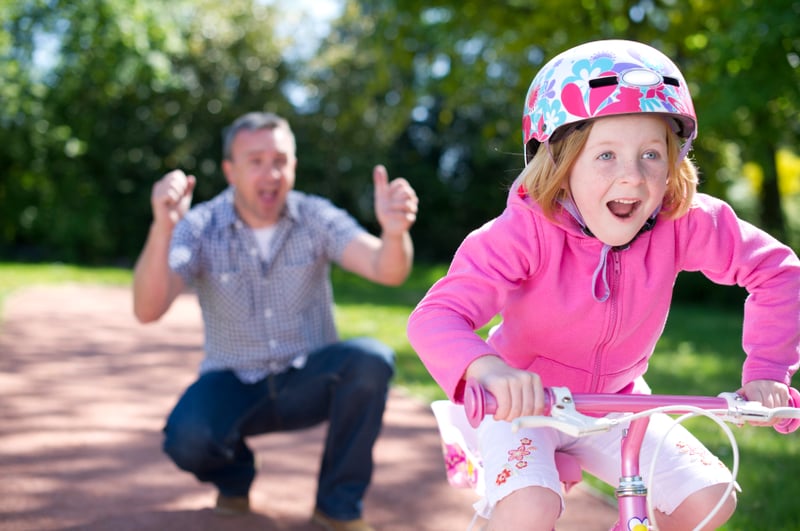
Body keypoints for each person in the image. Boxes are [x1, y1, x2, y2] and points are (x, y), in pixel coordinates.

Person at [407, 39, 800, 531]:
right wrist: (489, 371)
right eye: (607, 155)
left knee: (711, 499)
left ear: (674, 161)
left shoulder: (682, 220)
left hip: (619, 403)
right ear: (562, 162)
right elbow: (436, 316)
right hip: (525, 407)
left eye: (652, 155)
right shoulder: (522, 232)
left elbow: (777, 270)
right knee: (528, 510)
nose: (633, 178)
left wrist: (767, 370)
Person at [133, 111, 418, 531]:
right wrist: (163, 229)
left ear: (294, 166)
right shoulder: (200, 225)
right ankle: (235, 476)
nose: (271, 172)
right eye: (256, 161)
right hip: (234, 380)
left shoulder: (315, 216)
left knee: (370, 360)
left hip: (308, 379)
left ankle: (336, 507)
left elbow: (387, 270)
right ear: (230, 170)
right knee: (187, 437)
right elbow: (148, 309)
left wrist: (394, 233)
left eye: (281, 160)